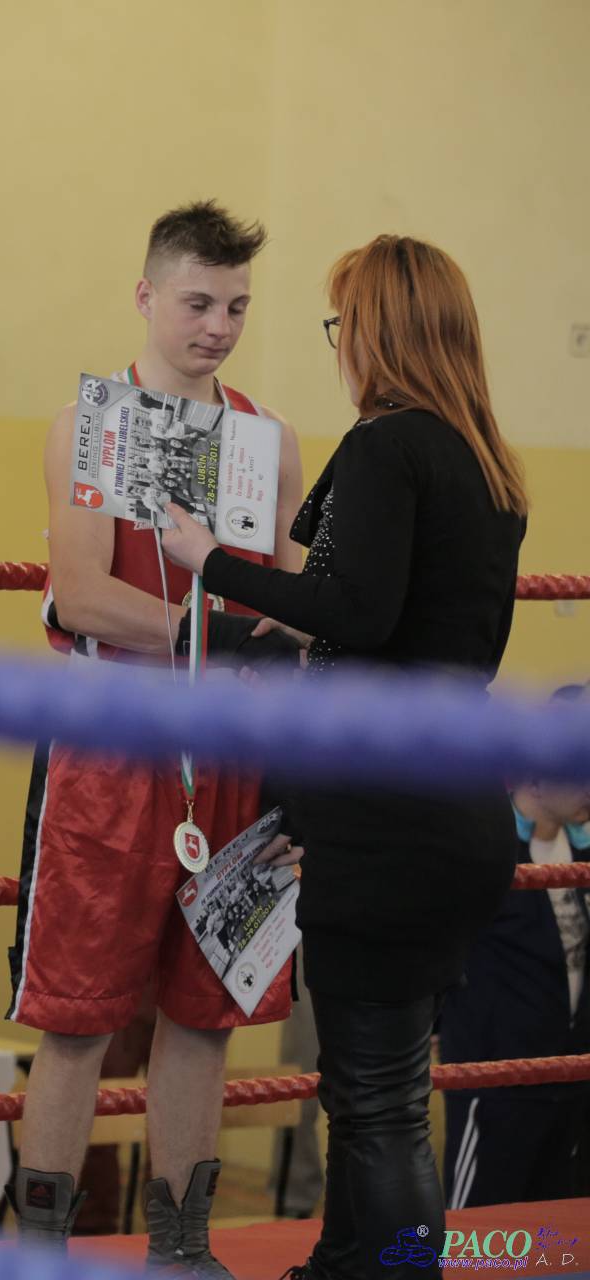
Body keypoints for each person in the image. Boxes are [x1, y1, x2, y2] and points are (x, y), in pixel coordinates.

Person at [160, 234, 529, 1280]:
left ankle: (396, 1269)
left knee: (378, 1100)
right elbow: (402, 622)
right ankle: (342, 1263)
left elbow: (352, 610)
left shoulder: (389, 446)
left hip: (387, 813)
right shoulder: (482, 459)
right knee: (374, 1087)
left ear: (378, 329)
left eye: (342, 323)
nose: (339, 345)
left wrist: (210, 561)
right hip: (455, 803)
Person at [15, 200, 306, 1273]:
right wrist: (212, 631)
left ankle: (181, 1250)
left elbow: (295, 605)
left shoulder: (269, 438)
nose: (218, 326)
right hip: (113, 745)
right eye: (197, 303)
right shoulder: (90, 422)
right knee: (78, 1018)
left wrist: (259, 639)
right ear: (146, 295)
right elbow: (82, 593)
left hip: (234, 752)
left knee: (206, 1012)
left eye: (236, 306)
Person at [439, 685, 590, 1208]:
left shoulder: (581, 853)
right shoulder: (489, 850)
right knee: (481, 1236)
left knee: (555, 1238)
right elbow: (441, 941)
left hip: (569, 1083)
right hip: (495, 1085)